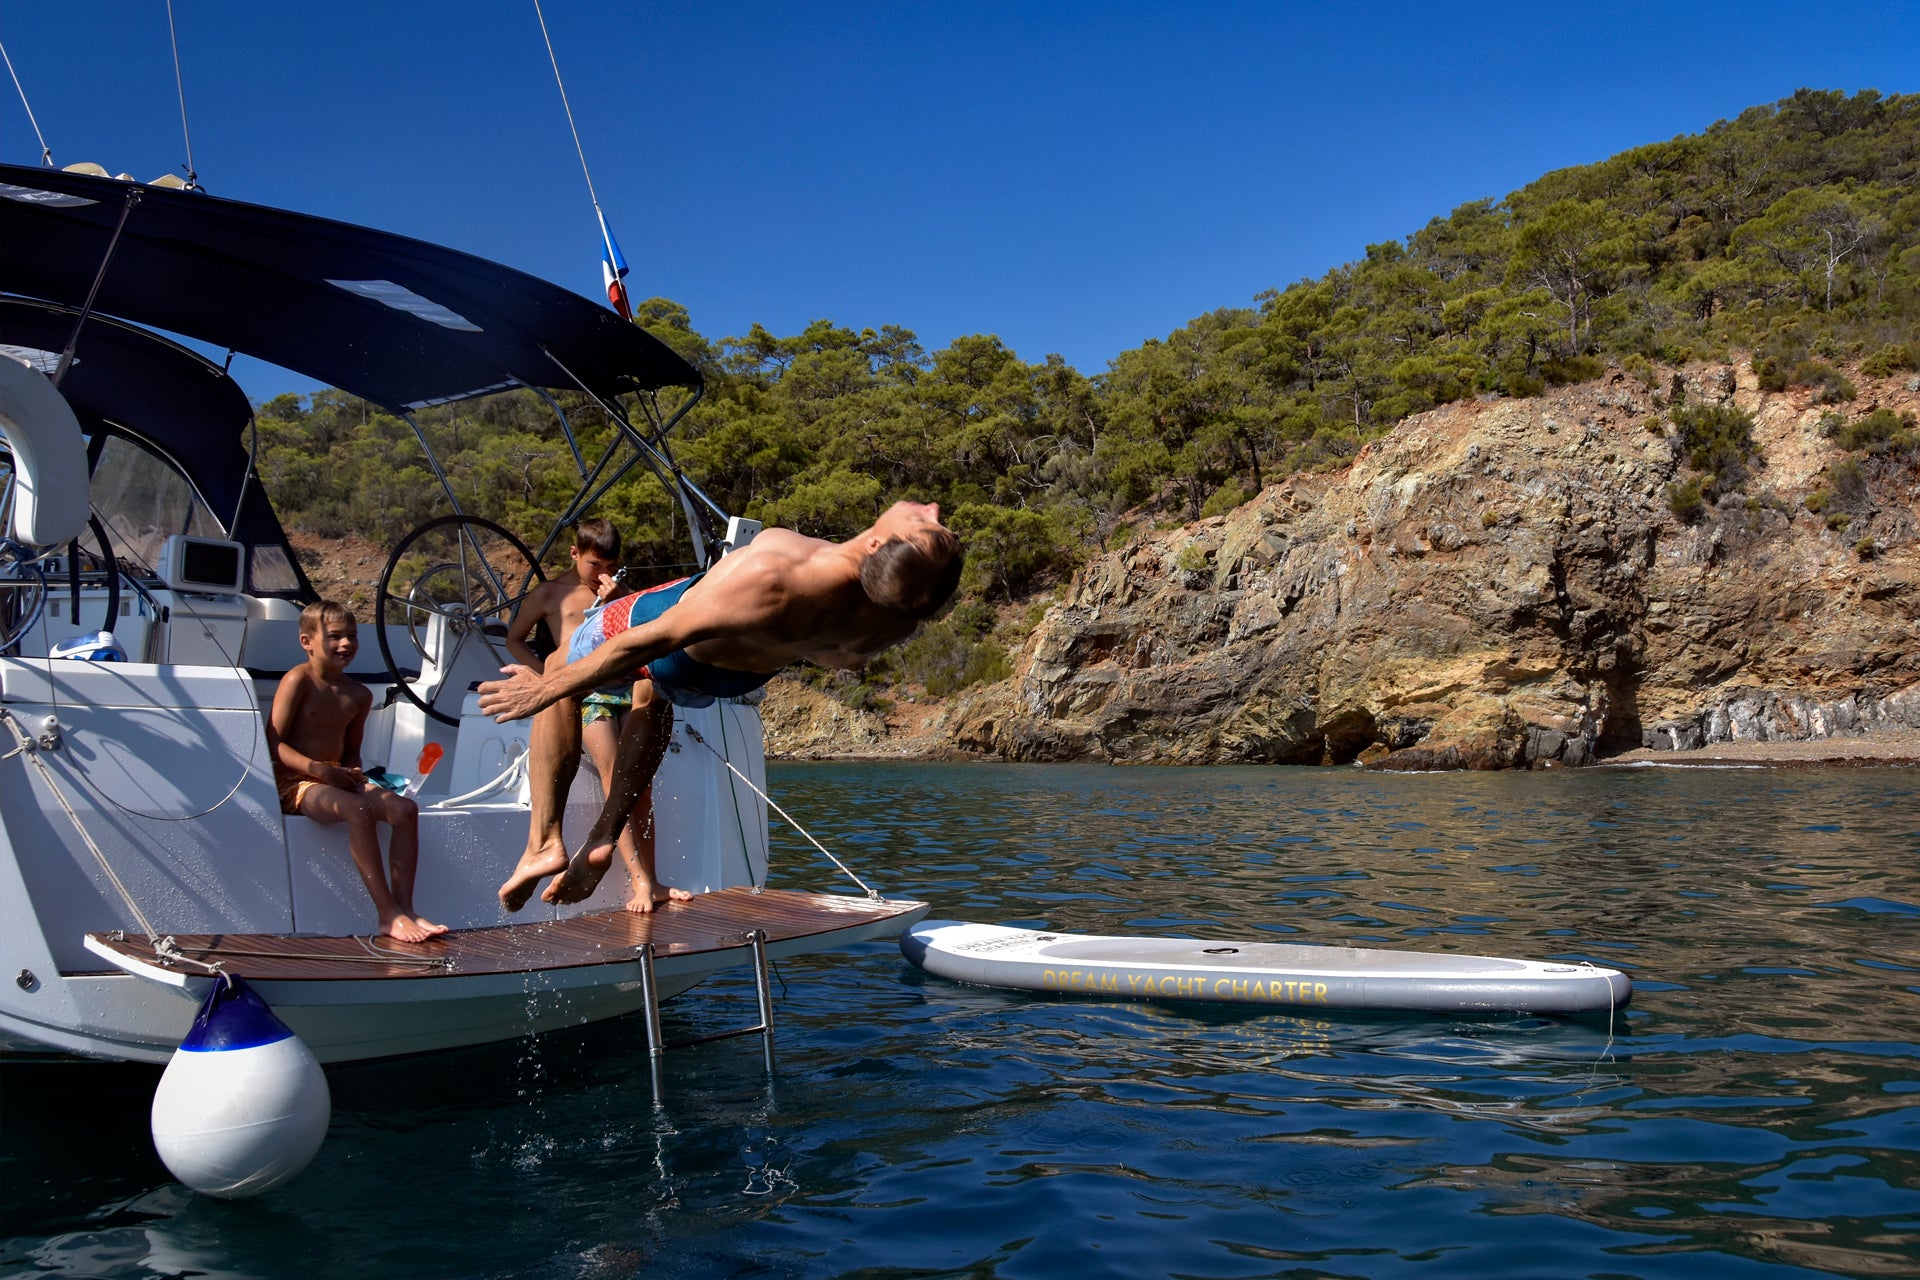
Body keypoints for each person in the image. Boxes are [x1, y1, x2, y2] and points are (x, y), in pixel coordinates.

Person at [482, 500, 961, 911]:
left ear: (878, 547)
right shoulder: (895, 617)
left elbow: (648, 641)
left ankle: (544, 842)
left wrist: (544, 689)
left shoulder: (773, 575)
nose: (932, 508)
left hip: (681, 643)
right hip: (730, 678)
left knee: (563, 663)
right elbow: (838, 658)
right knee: (653, 695)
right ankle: (604, 832)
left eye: (925, 522)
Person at [502, 518, 671, 914]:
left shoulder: (622, 591)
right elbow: (513, 638)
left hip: (626, 688)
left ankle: (654, 878)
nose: (604, 574)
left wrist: (621, 598)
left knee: (639, 787)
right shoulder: (549, 595)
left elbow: (647, 633)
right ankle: (638, 883)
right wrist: (544, 677)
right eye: (596, 565)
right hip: (583, 693)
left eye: (612, 566)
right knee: (616, 777)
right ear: (575, 554)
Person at [268, 600, 447, 943]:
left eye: (352, 636)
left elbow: (351, 753)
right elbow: (273, 745)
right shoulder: (297, 680)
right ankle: (387, 913)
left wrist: (350, 770)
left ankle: (406, 908)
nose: (346, 643)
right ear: (307, 641)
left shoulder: (359, 695)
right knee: (358, 809)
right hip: (296, 781)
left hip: (334, 775)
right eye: (335, 636)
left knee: (405, 809)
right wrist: (318, 770)